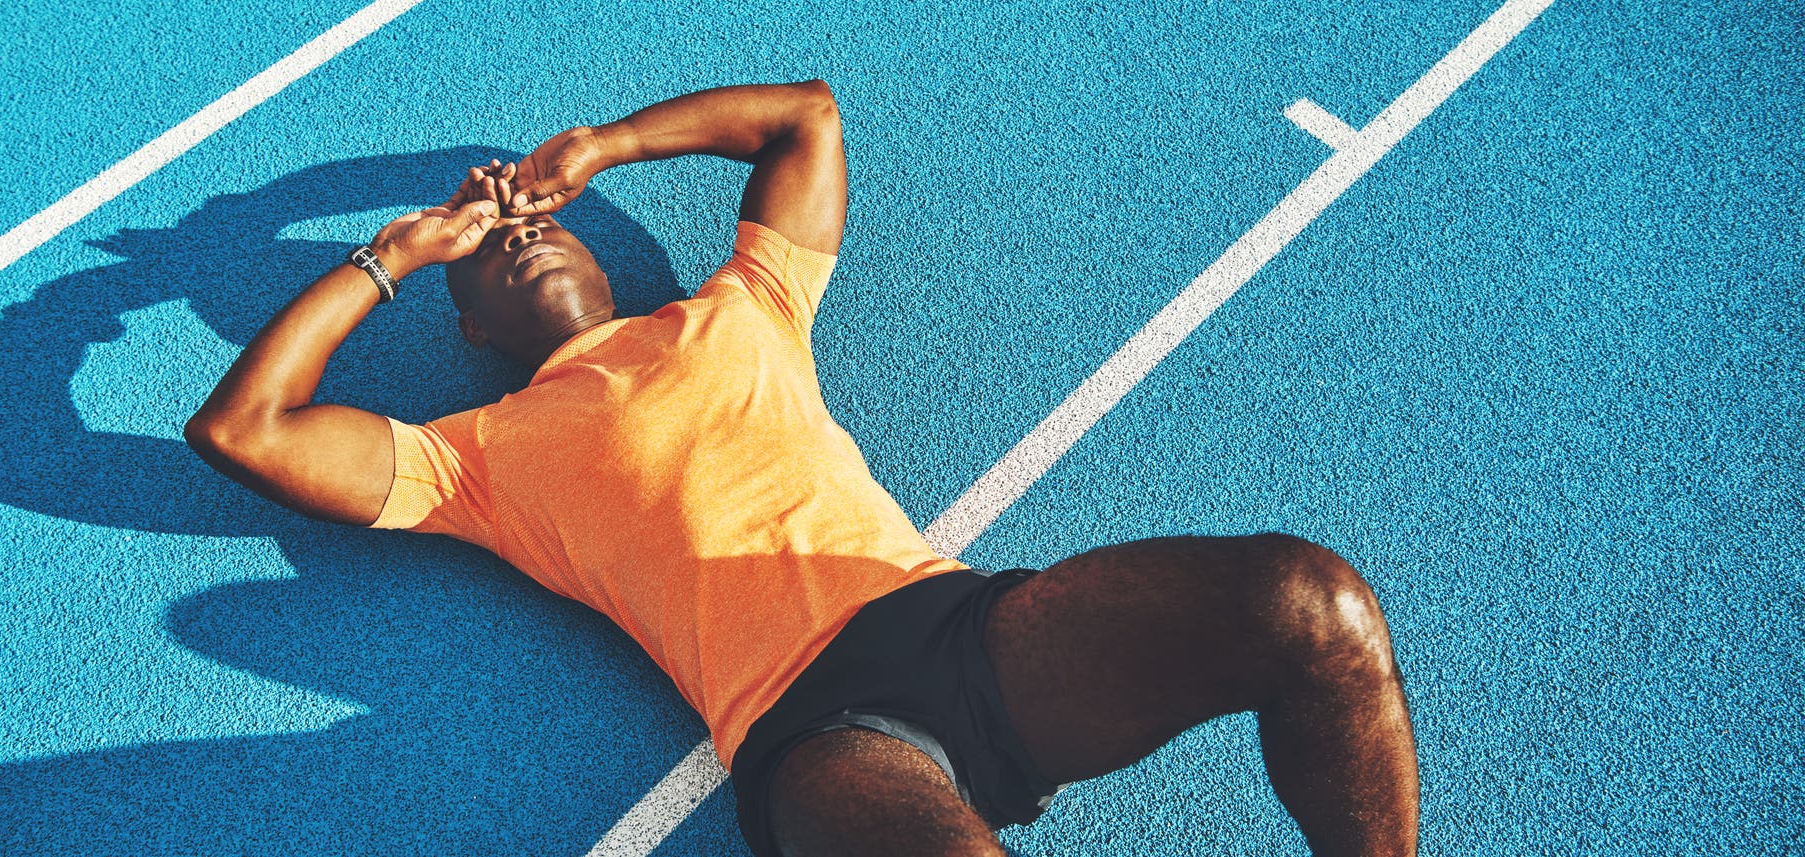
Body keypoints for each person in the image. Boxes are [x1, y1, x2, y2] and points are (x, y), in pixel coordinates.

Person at [184, 80, 1419, 856]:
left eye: (535, 217)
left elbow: (804, 117)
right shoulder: (476, 458)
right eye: (494, 241)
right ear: (468, 325)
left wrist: (605, 147)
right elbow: (244, 429)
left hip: (956, 622)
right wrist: (392, 253)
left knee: (1311, 606)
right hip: (816, 729)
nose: (520, 224)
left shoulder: (744, 306)